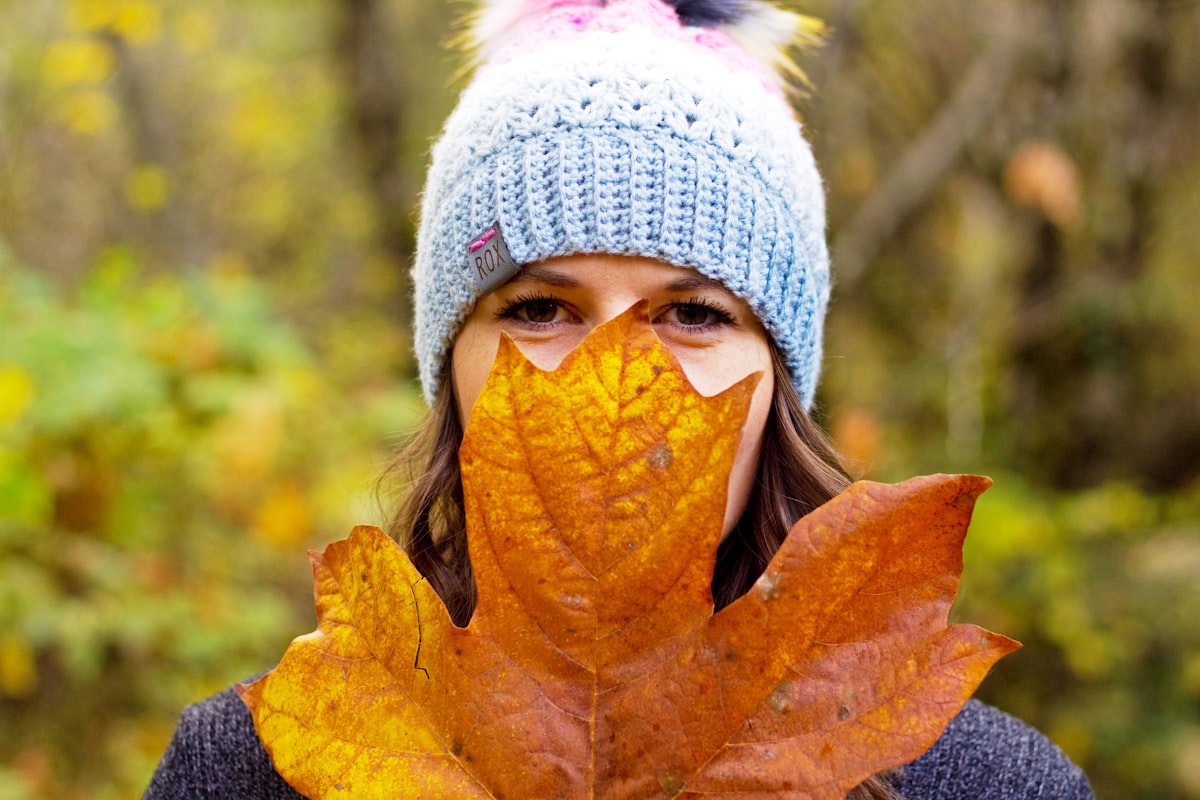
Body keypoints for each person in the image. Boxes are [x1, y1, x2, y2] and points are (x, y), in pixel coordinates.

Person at [144, 1, 1094, 797]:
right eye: (542, 307)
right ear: (450, 363)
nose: (617, 382)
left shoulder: (988, 784)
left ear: (781, 376)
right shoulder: (254, 767)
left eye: (692, 312)